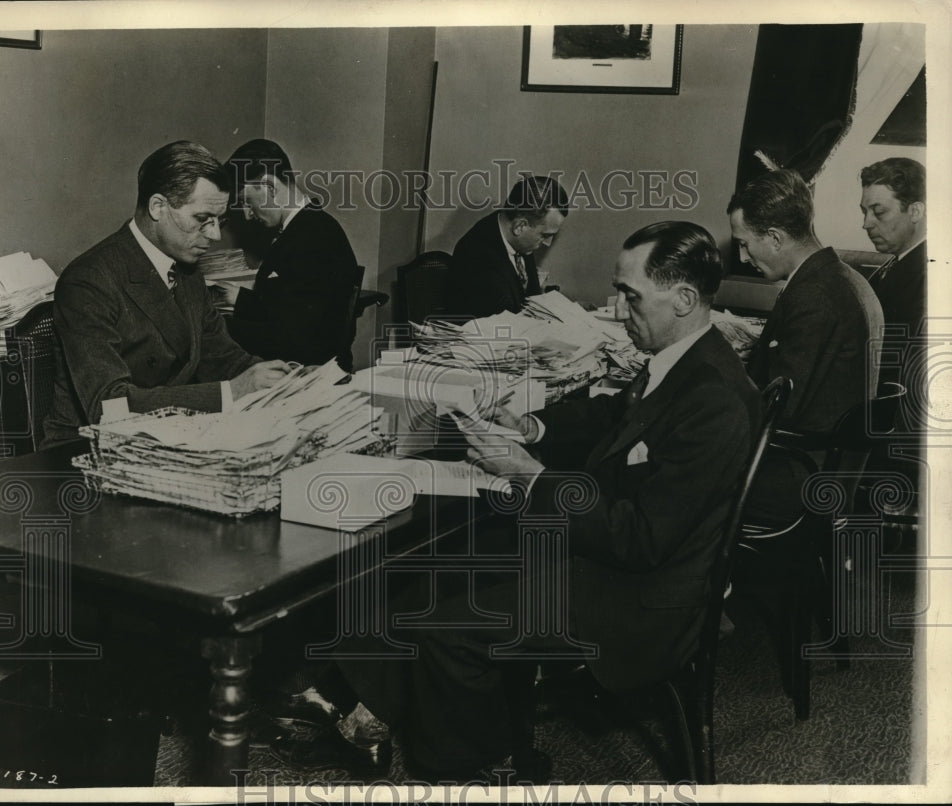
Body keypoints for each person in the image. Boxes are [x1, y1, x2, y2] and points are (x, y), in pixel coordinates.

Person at [269, 221, 761, 782]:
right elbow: (614, 419)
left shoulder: (714, 400)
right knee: (436, 561)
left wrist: (530, 478)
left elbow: (642, 538)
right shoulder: (687, 359)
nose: (621, 312)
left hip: (644, 596)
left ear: (685, 298)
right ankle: (364, 714)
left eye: (631, 296)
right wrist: (529, 426)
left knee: (451, 623)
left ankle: (473, 768)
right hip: (613, 551)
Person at [41, 141, 290, 448]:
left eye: (219, 222)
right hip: (86, 451)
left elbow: (222, 357)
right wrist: (232, 392)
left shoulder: (187, 272)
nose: (214, 236)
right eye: (202, 220)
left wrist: (285, 380)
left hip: (168, 437)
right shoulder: (89, 281)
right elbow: (109, 404)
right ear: (158, 207)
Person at [727, 168, 884, 436]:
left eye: (744, 244)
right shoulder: (844, 278)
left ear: (775, 239)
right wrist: (759, 353)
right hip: (823, 452)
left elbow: (777, 408)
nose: (743, 257)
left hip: (794, 462)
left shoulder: (814, 296)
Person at [220, 138, 361, 367]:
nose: (247, 214)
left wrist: (217, 327)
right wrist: (238, 298)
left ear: (270, 187)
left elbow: (293, 339)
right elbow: (289, 309)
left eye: (246, 201)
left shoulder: (312, 238)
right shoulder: (309, 226)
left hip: (308, 374)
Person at [444, 175, 569, 320]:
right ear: (519, 226)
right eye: (545, 235)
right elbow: (506, 324)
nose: (547, 243)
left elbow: (533, 300)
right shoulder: (477, 255)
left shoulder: (519, 240)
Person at [859, 157, 927, 375]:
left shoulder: (928, 278)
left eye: (879, 212)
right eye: (865, 212)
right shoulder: (900, 261)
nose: (866, 223)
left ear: (915, 211)